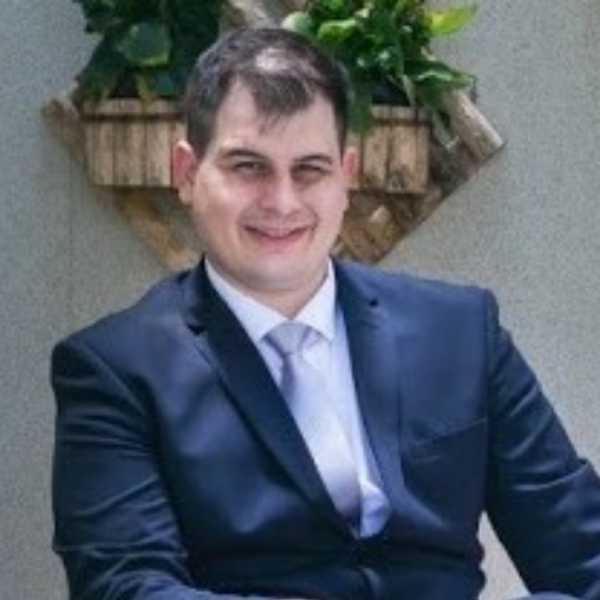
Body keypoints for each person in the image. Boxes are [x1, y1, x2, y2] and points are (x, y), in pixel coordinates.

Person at [51, 27, 600, 600]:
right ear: (188, 173)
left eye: (309, 169)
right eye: (248, 166)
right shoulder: (113, 370)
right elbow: (126, 587)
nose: (282, 202)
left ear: (347, 174)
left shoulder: (461, 330)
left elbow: (584, 553)